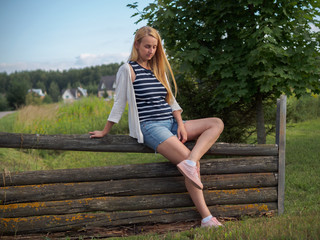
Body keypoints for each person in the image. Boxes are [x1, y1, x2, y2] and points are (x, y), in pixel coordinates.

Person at [89, 26, 224, 228]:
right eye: (147, 46)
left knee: (216, 123)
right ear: (137, 45)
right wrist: (105, 130)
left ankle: (191, 162)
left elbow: (171, 100)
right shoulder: (128, 70)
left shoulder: (157, 69)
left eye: (154, 47)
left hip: (170, 123)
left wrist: (180, 124)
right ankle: (207, 218)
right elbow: (119, 103)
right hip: (151, 127)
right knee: (190, 162)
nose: (151, 51)